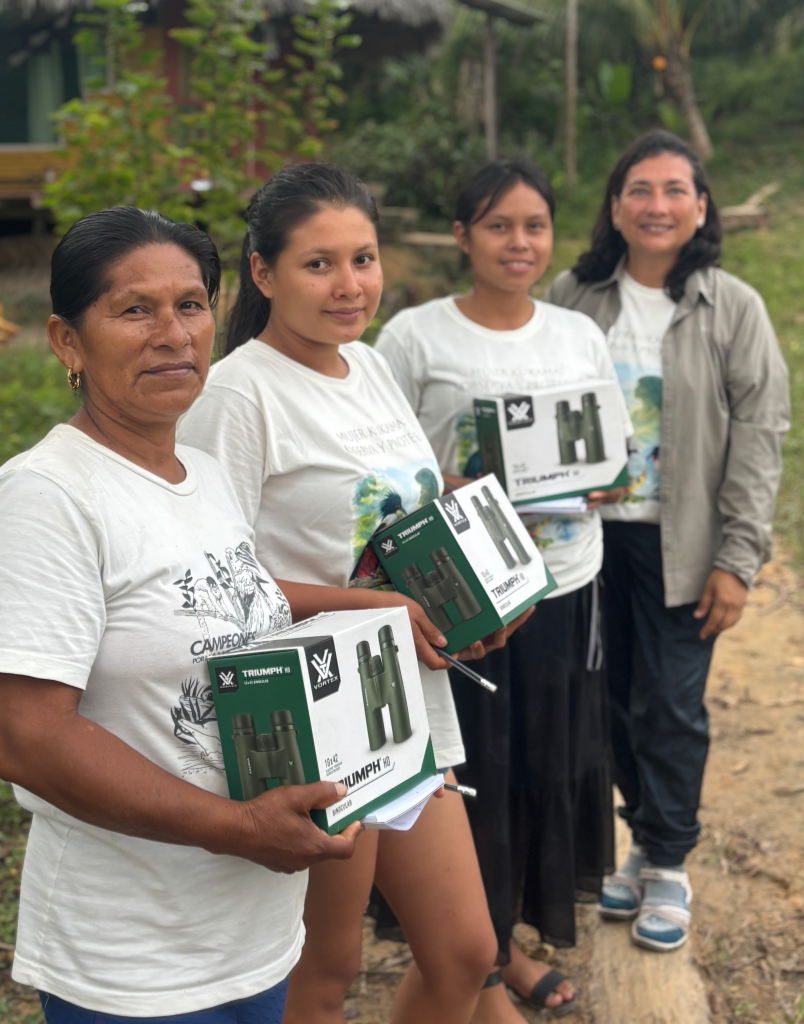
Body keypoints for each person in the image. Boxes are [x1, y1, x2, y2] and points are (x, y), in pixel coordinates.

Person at [0, 206, 432, 1024]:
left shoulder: (202, 474)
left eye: (190, 304)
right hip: (136, 958)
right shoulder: (45, 498)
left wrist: (370, 603)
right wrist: (236, 826)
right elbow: (24, 737)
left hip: (253, 933)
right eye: (133, 309)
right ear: (67, 340)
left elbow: (227, 596)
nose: (172, 334)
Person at [178, 163, 519, 1024]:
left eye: (362, 259)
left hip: (404, 691)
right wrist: (378, 611)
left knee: (467, 952)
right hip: (315, 711)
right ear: (263, 273)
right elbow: (212, 580)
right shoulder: (236, 393)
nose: (349, 285)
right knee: (323, 973)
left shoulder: (367, 366)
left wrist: (462, 606)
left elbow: (403, 521)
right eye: (318, 264)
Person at [375, 159, 633, 1021]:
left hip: (564, 582)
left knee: (541, 763)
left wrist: (600, 479)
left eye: (534, 226)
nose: (518, 243)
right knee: (474, 771)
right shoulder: (413, 337)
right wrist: (457, 483)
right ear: (461, 237)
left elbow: (611, 450)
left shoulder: (575, 334)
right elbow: (381, 461)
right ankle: (484, 968)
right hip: (463, 603)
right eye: (497, 226)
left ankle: (506, 942)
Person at [546, 130, 790, 952]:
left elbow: (761, 430)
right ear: (615, 207)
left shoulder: (733, 306)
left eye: (674, 190)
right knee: (607, 703)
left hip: (682, 543)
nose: (657, 205)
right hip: (582, 544)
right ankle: (637, 841)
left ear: (701, 207)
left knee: (672, 706)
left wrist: (739, 557)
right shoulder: (572, 298)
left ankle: (670, 861)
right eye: (639, 189)